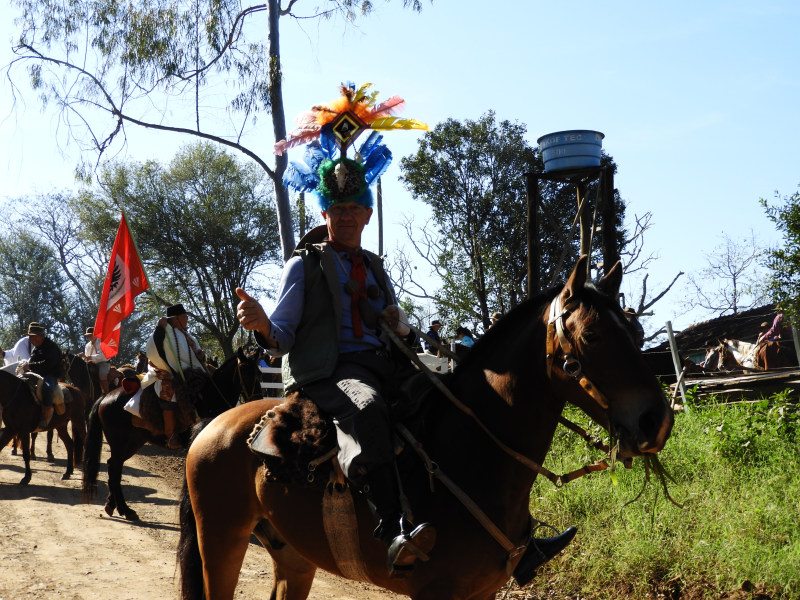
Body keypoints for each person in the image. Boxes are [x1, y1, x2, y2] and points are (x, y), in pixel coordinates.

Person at [142, 304, 206, 450]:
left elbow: (195, 354)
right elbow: (154, 349)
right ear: (176, 319)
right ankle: (171, 436)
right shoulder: (164, 334)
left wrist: (200, 355)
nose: (187, 319)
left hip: (192, 372)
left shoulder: (189, 336)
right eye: (185, 317)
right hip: (168, 372)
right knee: (169, 392)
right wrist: (159, 329)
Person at [22, 323, 63, 431]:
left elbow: (48, 364)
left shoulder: (52, 347)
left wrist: (30, 366)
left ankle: (45, 416)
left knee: (47, 388)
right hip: (37, 374)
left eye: (31, 337)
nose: (29, 339)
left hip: (50, 375)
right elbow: (33, 362)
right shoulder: (35, 349)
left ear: (38, 336)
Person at [79, 326, 111, 394]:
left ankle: (106, 392)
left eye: (91, 335)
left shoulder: (102, 342)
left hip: (103, 363)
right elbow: (87, 357)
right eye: (88, 336)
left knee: (102, 374)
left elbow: (103, 355)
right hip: (92, 364)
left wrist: (91, 357)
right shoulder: (87, 345)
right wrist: (84, 356)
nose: (89, 337)